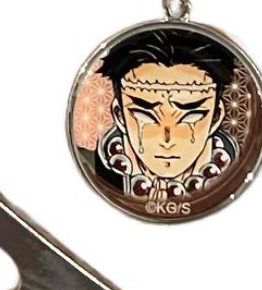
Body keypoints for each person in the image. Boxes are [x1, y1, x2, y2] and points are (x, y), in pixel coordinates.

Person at [87, 27, 239, 209]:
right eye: (145, 115)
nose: (167, 139)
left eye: (191, 116)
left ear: (215, 117)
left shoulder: (234, 174)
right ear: (120, 115)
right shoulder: (90, 171)